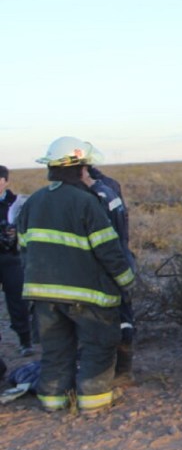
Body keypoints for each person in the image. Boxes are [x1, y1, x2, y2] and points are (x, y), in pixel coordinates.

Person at [17, 136, 135, 413]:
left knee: (56, 350)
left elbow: (23, 248)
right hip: (87, 295)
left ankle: (53, 401)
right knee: (99, 345)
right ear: (81, 169)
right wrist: (126, 281)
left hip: (42, 296)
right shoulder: (86, 202)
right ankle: (94, 403)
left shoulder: (33, 202)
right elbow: (108, 249)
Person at [87, 166, 136, 385]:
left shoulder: (94, 193)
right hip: (120, 258)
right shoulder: (110, 186)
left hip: (106, 264)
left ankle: (113, 373)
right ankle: (122, 371)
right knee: (123, 317)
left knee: (108, 320)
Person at [0, 165, 34, 357]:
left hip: (12, 258)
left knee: (17, 301)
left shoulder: (17, 203)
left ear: (6, 181)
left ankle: (25, 341)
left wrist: (14, 234)